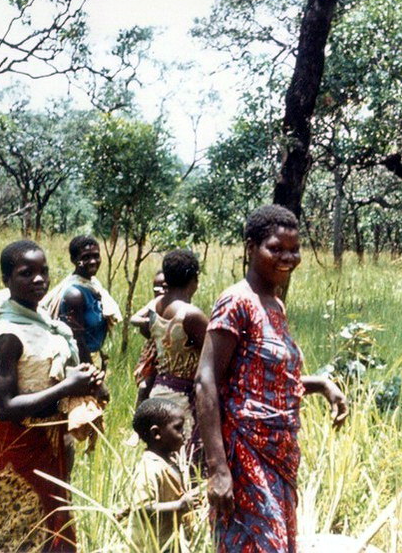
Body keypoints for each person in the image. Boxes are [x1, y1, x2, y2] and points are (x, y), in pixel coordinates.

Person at [195, 205, 349, 553]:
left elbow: (267, 378)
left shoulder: (275, 305)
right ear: (251, 247)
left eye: (294, 249)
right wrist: (218, 469)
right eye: (276, 248)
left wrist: (321, 385)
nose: (287, 258)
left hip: (281, 453)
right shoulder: (236, 302)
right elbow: (205, 381)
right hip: (245, 452)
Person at [0, 240, 105, 552]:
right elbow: (5, 406)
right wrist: (67, 387)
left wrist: (86, 382)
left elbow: (48, 379)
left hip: (51, 445)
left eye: (43, 272)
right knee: (19, 533)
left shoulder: (49, 328)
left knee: (53, 530)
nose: (39, 279)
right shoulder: (8, 335)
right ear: (6, 280)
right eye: (26, 273)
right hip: (17, 447)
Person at [142, 250, 208, 457]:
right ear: (194, 279)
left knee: (163, 456)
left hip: (159, 390)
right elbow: (215, 353)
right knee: (187, 460)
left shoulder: (156, 307)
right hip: (183, 399)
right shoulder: (191, 314)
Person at [129, 398, 199, 552]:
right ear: (156, 433)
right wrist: (179, 505)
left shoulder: (171, 460)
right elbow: (142, 508)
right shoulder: (150, 467)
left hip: (170, 542)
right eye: (178, 428)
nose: (184, 433)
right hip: (153, 546)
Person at [42, 235, 122, 367]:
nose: (92, 261)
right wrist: (91, 372)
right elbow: (77, 341)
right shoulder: (74, 295)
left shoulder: (93, 285)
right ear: (74, 260)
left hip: (94, 358)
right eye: (85, 257)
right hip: (80, 364)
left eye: (96, 256)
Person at [130, 270, 166, 407]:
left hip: (169, 352)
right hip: (153, 352)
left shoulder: (175, 304)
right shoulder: (155, 303)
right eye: (156, 287)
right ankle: (139, 415)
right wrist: (149, 322)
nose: (160, 290)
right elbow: (134, 318)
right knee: (145, 386)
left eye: (163, 286)